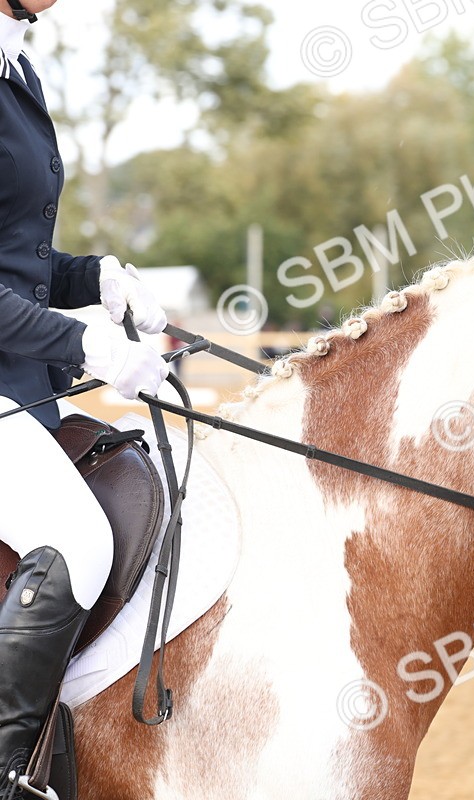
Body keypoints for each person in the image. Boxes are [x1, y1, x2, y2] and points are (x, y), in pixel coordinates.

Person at [0, 0, 169, 792]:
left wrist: (96, 274)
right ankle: (7, 776)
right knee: (77, 539)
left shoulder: (17, 73)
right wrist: (83, 342)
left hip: (22, 385)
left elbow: (17, 259)